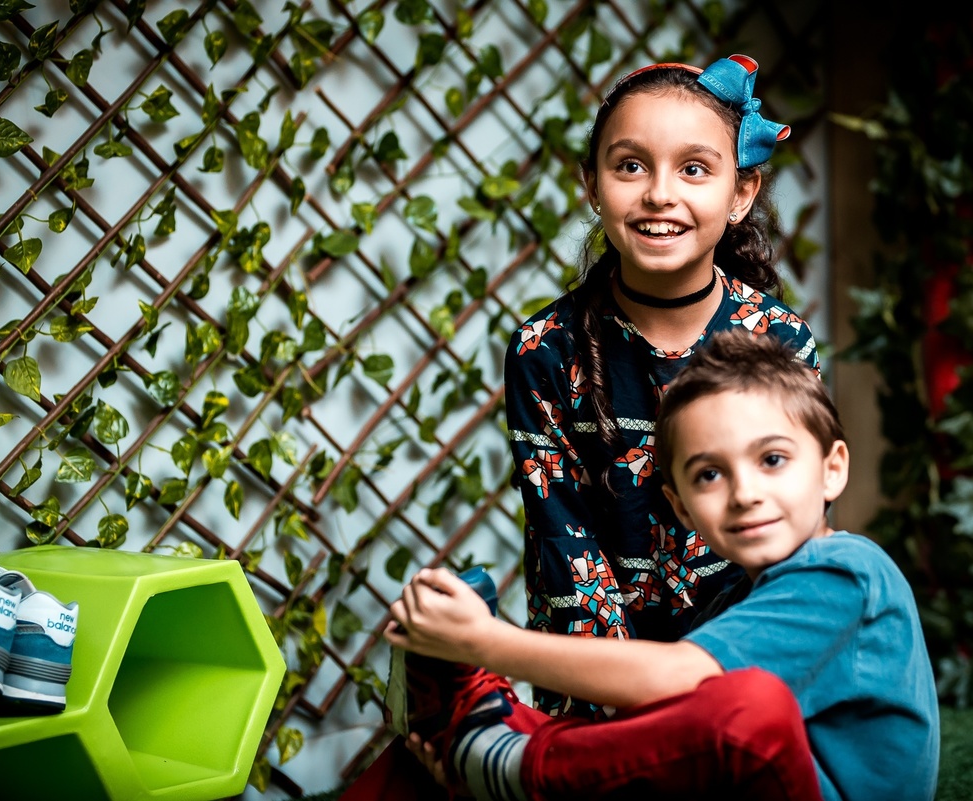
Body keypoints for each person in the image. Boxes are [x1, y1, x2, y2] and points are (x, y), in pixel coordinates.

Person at [386, 330, 940, 801]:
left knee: (750, 706)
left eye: (772, 459)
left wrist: (485, 643)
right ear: (680, 507)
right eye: (708, 475)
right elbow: (655, 733)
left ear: (831, 469)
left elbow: (678, 679)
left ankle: (515, 763)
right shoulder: (736, 601)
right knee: (422, 759)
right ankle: (480, 739)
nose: (745, 492)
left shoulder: (845, 569)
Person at [504, 53, 817, 720]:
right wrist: (627, 703)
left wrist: (739, 671)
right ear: (592, 184)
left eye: (694, 168)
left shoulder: (781, 342)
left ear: (741, 194)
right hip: (596, 668)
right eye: (630, 165)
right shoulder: (545, 351)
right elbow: (564, 538)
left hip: (746, 656)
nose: (660, 194)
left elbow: (792, 526)